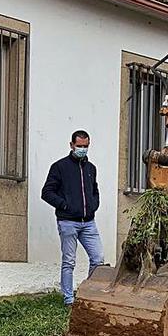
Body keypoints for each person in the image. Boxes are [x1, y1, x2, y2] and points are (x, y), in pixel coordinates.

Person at [41, 130, 103, 306]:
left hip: (88, 223)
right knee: (69, 261)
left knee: (98, 259)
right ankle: (68, 299)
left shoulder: (91, 168)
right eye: (79, 146)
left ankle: (87, 294)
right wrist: (65, 205)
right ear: (71, 145)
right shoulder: (59, 167)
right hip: (68, 222)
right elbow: (46, 192)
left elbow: (94, 191)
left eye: (85, 146)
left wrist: (93, 205)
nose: (82, 149)